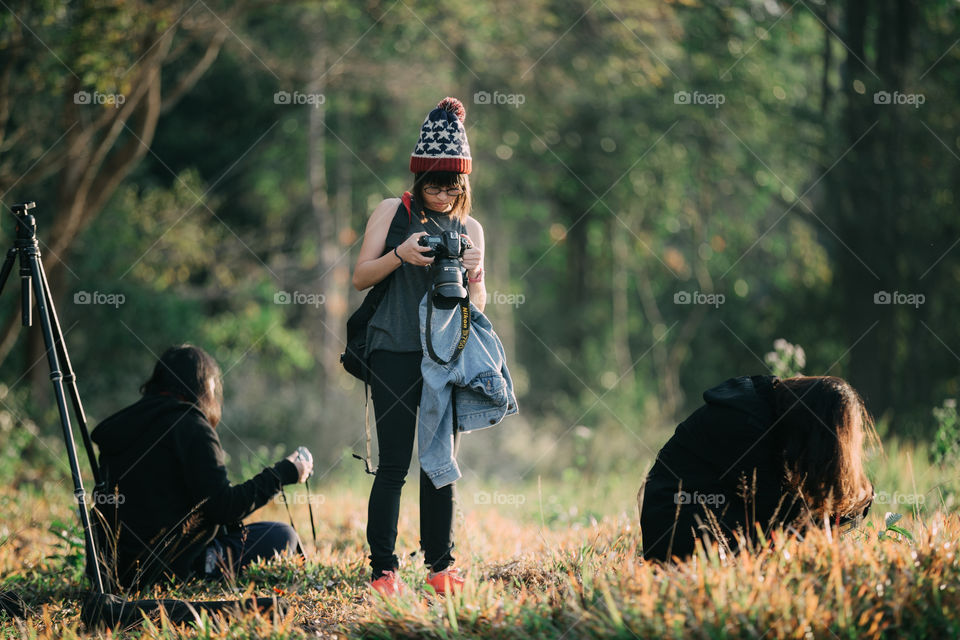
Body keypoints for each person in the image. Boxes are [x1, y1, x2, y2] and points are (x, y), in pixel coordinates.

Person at [351, 97, 486, 596]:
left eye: (453, 187)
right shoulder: (393, 212)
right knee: (393, 464)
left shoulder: (471, 228)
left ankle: (440, 569)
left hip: (446, 356)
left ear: (464, 185)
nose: (443, 195)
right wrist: (400, 255)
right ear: (417, 179)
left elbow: (480, 301)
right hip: (394, 349)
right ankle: (384, 571)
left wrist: (474, 271)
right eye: (434, 184)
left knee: (440, 467)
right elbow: (361, 277)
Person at [87, 344, 313, 590]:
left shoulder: (124, 427)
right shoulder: (190, 425)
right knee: (282, 535)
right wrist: (284, 473)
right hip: (174, 568)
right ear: (204, 386)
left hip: (114, 572)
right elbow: (224, 507)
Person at [640, 374, 877, 562]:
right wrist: (852, 503)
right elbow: (781, 516)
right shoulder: (748, 425)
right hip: (679, 531)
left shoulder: (770, 410)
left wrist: (856, 503)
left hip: (707, 523)